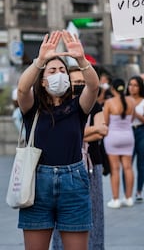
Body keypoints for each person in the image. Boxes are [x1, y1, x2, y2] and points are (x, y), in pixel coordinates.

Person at [17, 30, 99, 250]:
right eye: (52, 71)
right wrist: (39, 60)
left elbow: (94, 86)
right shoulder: (31, 108)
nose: (59, 74)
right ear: (43, 81)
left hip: (73, 181)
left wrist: (81, 60)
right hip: (37, 182)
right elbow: (22, 88)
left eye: (62, 70)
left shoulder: (77, 107)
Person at [52, 66, 108, 250]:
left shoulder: (95, 105)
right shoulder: (61, 107)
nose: (79, 86)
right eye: (75, 83)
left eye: (82, 83)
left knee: (95, 213)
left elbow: (103, 131)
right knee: (63, 214)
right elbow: (59, 134)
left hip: (92, 163)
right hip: (64, 165)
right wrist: (88, 131)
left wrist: (75, 133)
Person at [103, 78, 136, 208]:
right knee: (128, 167)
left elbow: (106, 122)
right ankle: (129, 198)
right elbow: (132, 119)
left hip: (113, 136)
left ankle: (116, 200)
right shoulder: (132, 101)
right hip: (128, 136)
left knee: (115, 169)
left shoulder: (109, 102)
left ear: (112, 89)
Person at [127, 75, 144, 202]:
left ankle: (139, 191)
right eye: (130, 85)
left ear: (140, 87)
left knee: (141, 165)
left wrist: (136, 114)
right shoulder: (125, 100)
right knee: (127, 164)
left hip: (142, 132)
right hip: (128, 132)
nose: (132, 88)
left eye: (135, 85)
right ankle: (127, 192)